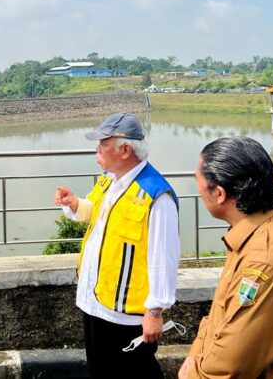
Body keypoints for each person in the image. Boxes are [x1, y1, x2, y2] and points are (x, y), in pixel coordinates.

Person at [179, 137, 273, 379]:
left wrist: (192, 374)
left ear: (219, 193)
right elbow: (220, 315)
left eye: (198, 182)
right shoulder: (263, 230)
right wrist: (195, 355)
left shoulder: (264, 262)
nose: (197, 190)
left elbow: (232, 365)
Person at [54, 112, 180, 378]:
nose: (96, 150)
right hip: (96, 299)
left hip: (125, 312)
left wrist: (155, 311)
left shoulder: (155, 195)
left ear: (124, 150)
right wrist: (75, 204)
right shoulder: (108, 179)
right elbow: (96, 212)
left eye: (103, 144)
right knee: (101, 371)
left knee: (134, 372)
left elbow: (163, 257)